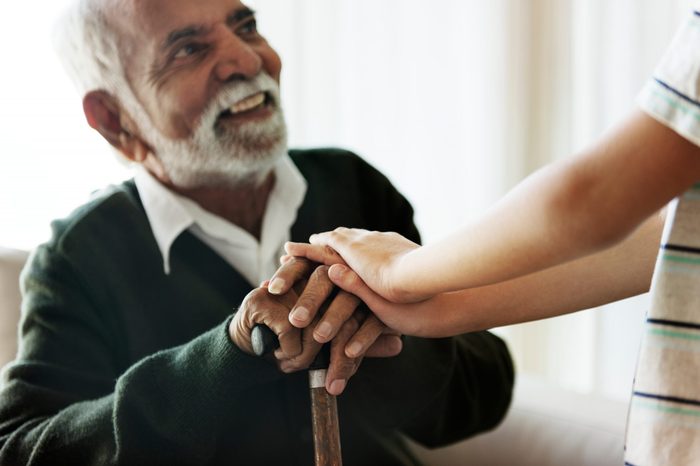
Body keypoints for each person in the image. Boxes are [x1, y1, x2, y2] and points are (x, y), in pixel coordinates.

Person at [0, 0, 515, 464]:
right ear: (114, 119)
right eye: (188, 49)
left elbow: (483, 396)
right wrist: (228, 352)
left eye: (245, 25)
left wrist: (388, 330)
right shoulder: (79, 258)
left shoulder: (351, 184)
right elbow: (23, 449)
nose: (249, 61)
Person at [285, 8, 700, 466]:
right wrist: (435, 306)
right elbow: (665, 236)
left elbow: (595, 199)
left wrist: (402, 271)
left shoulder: (347, 180)